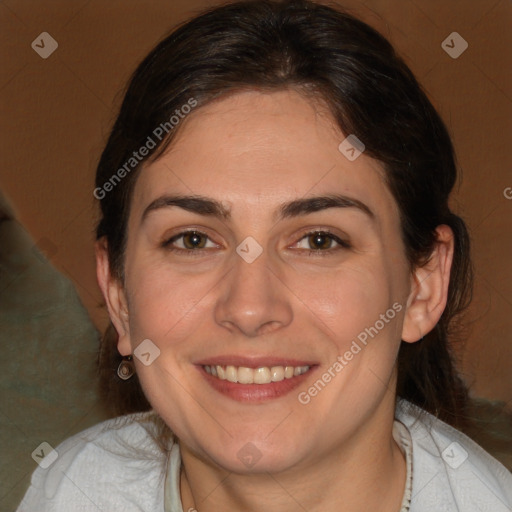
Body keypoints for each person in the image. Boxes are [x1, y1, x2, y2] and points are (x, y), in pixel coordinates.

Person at [17, 0, 512, 510]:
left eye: (319, 240)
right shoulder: (74, 487)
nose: (250, 308)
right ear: (118, 293)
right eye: (192, 240)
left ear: (423, 285)